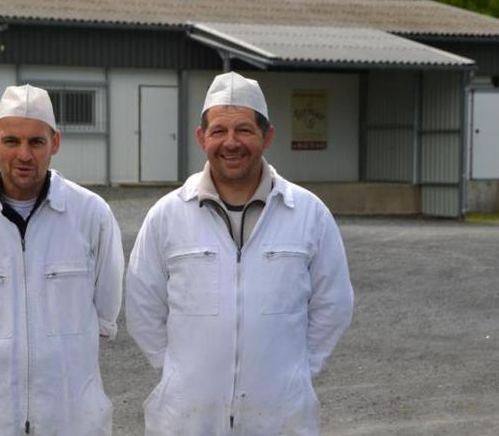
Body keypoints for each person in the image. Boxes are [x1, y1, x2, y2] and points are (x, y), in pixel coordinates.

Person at [126, 72, 354, 436]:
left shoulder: (308, 214)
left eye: (244, 130)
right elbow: (143, 306)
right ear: (202, 138)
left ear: (267, 136)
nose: (231, 143)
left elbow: (333, 303)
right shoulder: (168, 215)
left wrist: (296, 374)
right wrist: (179, 373)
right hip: (188, 416)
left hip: (280, 416)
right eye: (219, 131)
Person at [0, 84, 124, 436]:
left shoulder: (92, 216)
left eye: (36, 142)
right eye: (12, 141)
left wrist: (52, 365)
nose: (24, 155)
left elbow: (105, 315)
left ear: (55, 143)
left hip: (73, 419)